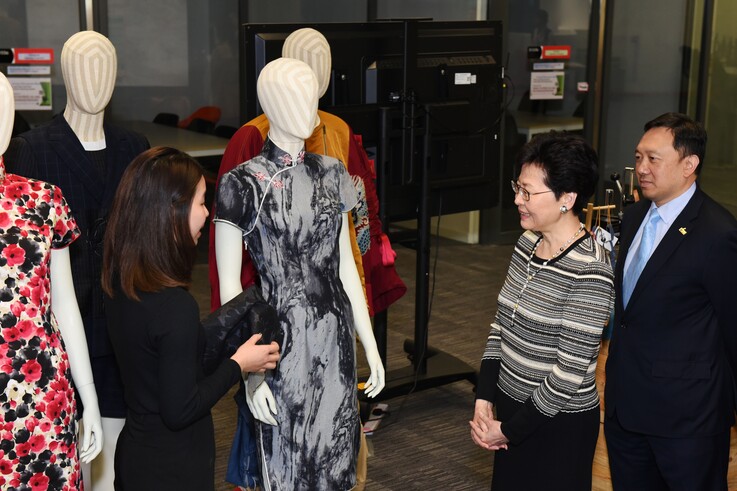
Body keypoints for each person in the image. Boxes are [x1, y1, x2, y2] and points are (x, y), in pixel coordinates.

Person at [215, 57, 385, 490]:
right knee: (286, 467)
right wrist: (250, 373)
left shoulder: (333, 174)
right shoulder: (243, 183)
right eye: (300, 96)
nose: (312, 106)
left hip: (335, 338)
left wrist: (370, 345)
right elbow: (232, 288)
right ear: (272, 103)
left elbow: (347, 269)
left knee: (336, 464)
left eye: (313, 95)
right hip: (279, 344)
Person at [4, 31, 150, 490]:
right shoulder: (33, 149)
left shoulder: (132, 145)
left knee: (118, 445)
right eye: (84, 66)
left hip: (122, 317)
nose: (96, 79)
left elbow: (142, 237)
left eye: (105, 66)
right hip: (54, 333)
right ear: (66, 75)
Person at [100, 146, 279, 490]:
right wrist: (239, 363)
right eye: (200, 201)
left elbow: (162, 359)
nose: (208, 212)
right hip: (174, 467)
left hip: (136, 455)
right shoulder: (174, 306)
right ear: (172, 209)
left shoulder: (119, 283)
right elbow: (181, 408)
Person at [471, 132, 614, 490]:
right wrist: (484, 398)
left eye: (528, 192)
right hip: (509, 406)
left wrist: (508, 430)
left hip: (557, 425)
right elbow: (500, 326)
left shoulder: (591, 270)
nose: (517, 200)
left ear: (567, 198)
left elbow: (567, 373)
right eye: (517, 187)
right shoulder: (526, 243)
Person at [604, 112, 737, 490]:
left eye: (653, 159)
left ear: (689, 165)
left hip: (686, 421)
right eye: (638, 157)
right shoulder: (633, 219)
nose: (641, 168)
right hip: (624, 411)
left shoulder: (717, 234)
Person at [0, 72, 103, 489]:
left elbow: (64, 305)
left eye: (5, 109)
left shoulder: (42, 200)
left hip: (44, 397)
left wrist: (89, 394)